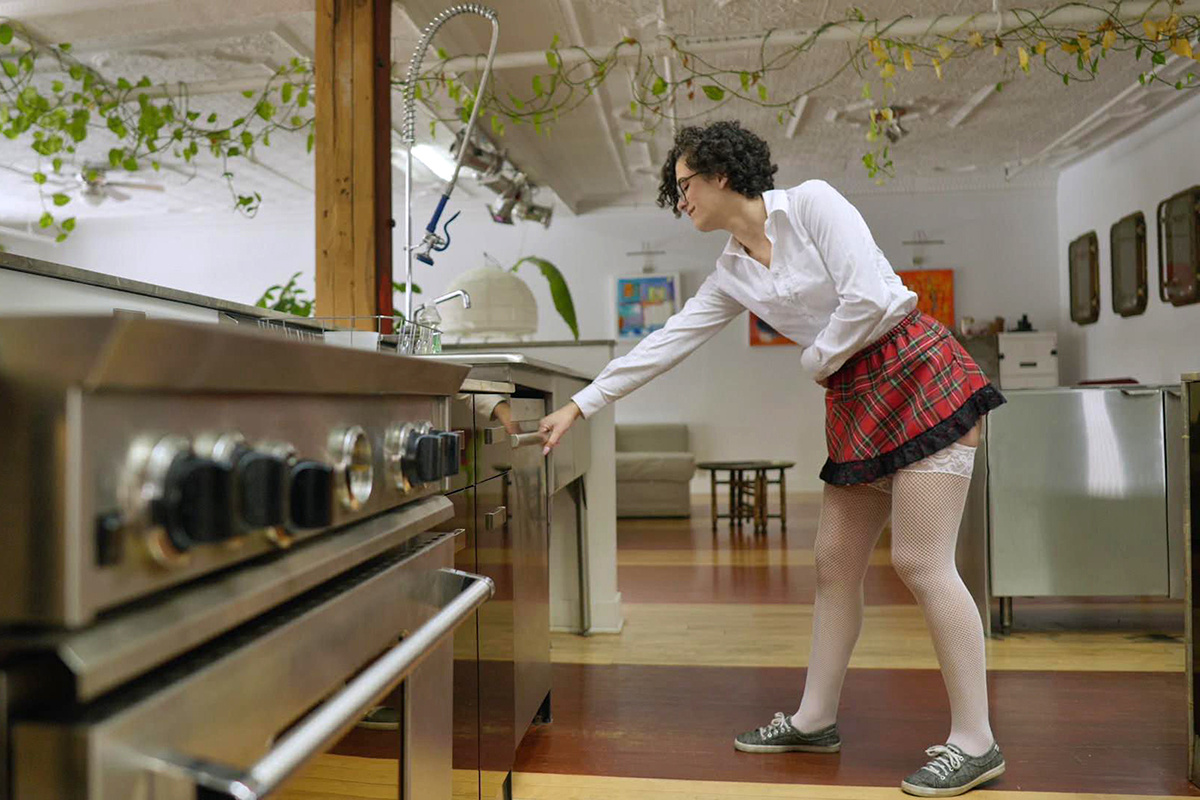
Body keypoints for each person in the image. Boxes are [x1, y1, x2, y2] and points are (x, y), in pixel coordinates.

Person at [537, 120, 1007, 797]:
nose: (681, 200)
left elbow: (870, 298)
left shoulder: (812, 203)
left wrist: (816, 358)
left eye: (685, 185)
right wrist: (581, 405)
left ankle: (976, 741)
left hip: (916, 370)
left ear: (722, 174)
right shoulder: (731, 272)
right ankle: (815, 721)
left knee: (919, 561)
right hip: (855, 397)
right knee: (833, 564)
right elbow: (667, 341)